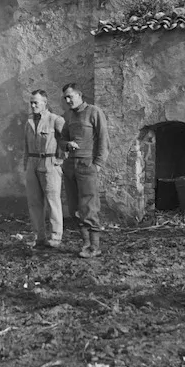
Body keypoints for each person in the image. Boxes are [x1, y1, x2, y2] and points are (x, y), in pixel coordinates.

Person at [60, 82, 109, 258]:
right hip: (71, 166)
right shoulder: (68, 116)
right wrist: (67, 144)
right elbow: (62, 139)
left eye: (70, 96)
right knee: (74, 207)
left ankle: (95, 246)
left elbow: (103, 139)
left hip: (87, 165)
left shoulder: (94, 112)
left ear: (79, 95)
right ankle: (86, 243)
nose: (67, 100)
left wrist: (98, 164)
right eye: (65, 97)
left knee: (89, 206)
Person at [23, 89, 65, 249]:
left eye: (36, 102)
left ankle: (55, 237)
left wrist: (59, 160)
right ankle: (39, 235)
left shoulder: (56, 120)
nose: (33, 105)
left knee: (53, 200)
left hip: (49, 162)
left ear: (45, 103)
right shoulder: (29, 122)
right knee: (34, 202)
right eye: (31, 102)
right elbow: (25, 146)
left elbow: (66, 141)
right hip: (32, 162)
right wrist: (26, 165)